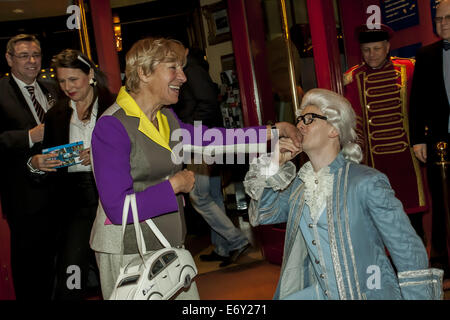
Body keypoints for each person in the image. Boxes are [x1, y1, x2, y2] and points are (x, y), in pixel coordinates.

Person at [89, 37, 302, 299]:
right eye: (173, 68)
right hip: (128, 252)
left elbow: (215, 140)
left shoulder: (165, 117)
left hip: (167, 245)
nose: (183, 77)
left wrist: (273, 131)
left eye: (182, 68)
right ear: (144, 73)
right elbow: (118, 208)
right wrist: (174, 186)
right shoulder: (112, 125)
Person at [244, 88, 443, 300]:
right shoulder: (301, 187)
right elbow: (263, 214)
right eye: (299, 118)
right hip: (322, 293)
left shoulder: (366, 181)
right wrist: (274, 166)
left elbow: (407, 250)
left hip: (367, 293)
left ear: (334, 130)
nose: (300, 124)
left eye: (309, 119)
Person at [29, 49, 115, 300]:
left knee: (115, 272)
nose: (68, 87)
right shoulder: (56, 115)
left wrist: (102, 155)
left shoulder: (114, 106)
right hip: (74, 202)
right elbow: (46, 162)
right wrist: (36, 163)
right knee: (71, 272)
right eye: (62, 81)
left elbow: (134, 152)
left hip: (111, 196)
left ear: (89, 74)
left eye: (73, 79)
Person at [343, 24, 427, 240]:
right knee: (380, 218)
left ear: (388, 47)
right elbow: (354, 121)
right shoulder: (353, 77)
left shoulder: (409, 68)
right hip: (374, 162)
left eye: (377, 49)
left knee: (413, 218)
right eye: (366, 50)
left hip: (408, 159)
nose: (371, 55)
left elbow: (420, 110)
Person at [173, 48, 250, 267]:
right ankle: (223, 247)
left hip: (200, 141)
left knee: (200, 197)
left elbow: (208, 102)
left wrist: (194, 133)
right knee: (214, 195)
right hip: (205, 139)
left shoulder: (192, 70)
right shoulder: (193, 68)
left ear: (185, 51)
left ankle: (237, 240)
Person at [0, 34, 59, 299]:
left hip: (59, 192)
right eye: (24, 56)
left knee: (58, 264)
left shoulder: (52, 88)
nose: (32, 61)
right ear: (9, 58)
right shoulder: (0, 91)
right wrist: (27, 136)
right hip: (24, 196)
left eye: (36, 55)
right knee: (30, 268)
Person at [409, 0, 450, 289]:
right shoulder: (425, 55)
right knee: (442, 204)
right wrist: (417, 139)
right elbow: (417, 102)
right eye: (438, 19)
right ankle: (441, 262)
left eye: (448, 17)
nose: (442, 23)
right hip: (439, 144)